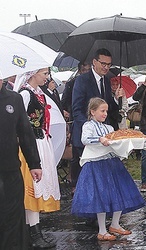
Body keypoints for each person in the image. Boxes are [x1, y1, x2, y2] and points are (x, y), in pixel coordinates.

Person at [71, 97, 145, 241]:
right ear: (92, 112)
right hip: (96, 164)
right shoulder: (88, 125)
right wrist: (100, 139)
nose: (105, 114)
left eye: (106, 111)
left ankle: (115, 224)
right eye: (102, 111)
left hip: (111, 162)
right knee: (101, 196)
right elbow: (84, 139)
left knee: (119, 192)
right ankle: (102, 230)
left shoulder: (109, 128)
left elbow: (115, 143)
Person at [15, 68, 62, 249]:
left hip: (41, 141)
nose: (47, 77)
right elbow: (20, 122)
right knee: (32, 188)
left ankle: (34, 231)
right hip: (31, 144)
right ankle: (33, 232)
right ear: (33, 74)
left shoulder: (38, 93)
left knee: (38, 186)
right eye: (44, 73)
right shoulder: (25, 95)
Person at [70, 49, 124, 194]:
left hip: (102, 139)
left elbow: (108, 109)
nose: (106, 67)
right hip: (85, 133)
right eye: (103, 63)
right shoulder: (82, 80)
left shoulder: (106, 81)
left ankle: (98, 204)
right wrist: (91, 125)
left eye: (109, 64)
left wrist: (115, 98)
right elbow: (76, 109)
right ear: (94, 62)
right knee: (85, 174)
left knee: (98, 176)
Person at [0, 78, 42, 250]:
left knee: (12, 215)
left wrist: (34, 163)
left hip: (10, 169)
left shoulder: (14, 99)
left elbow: (25, 132)